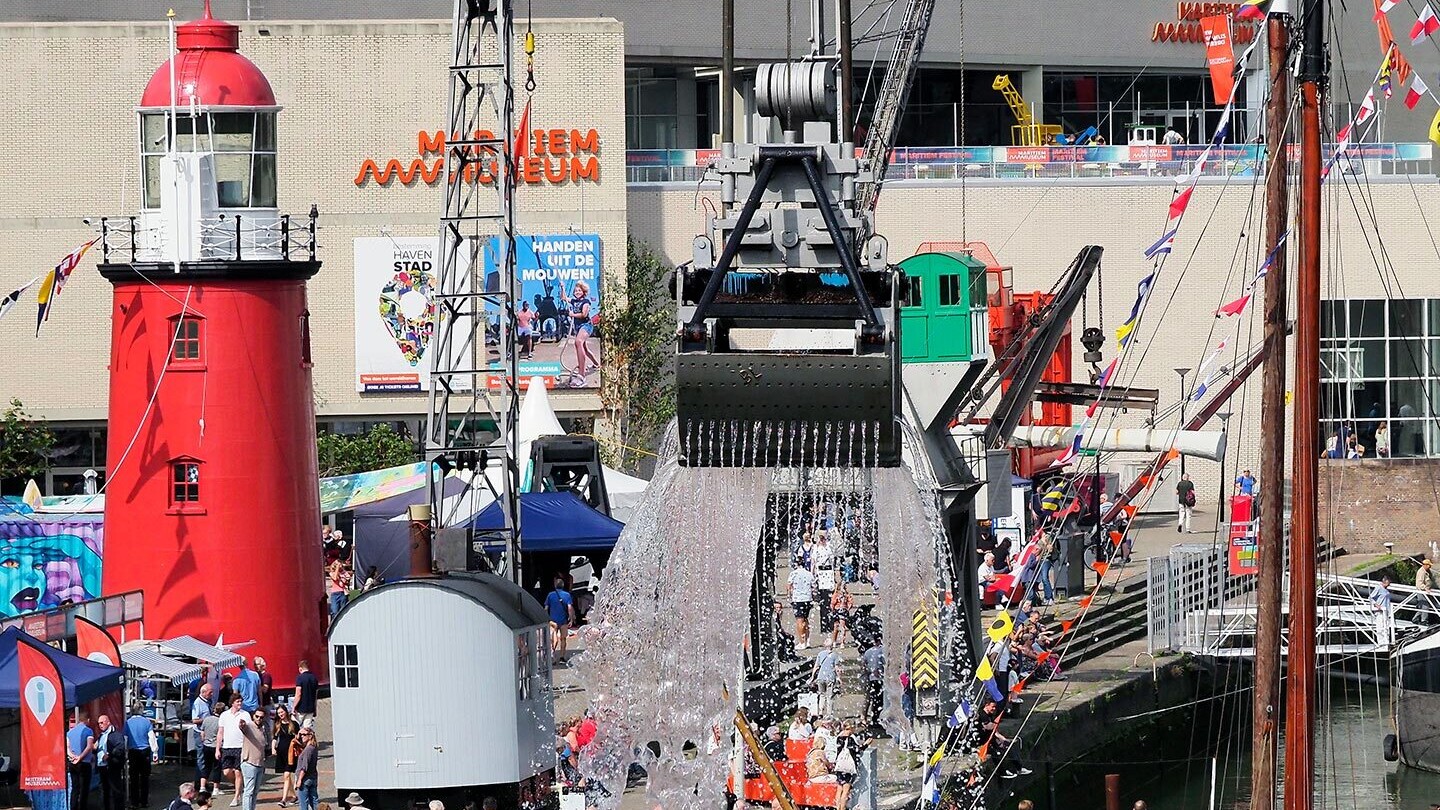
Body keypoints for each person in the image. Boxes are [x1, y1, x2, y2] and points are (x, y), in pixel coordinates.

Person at [217, 695, 250, 806]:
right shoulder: (224, 715)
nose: (240, 703)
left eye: (241, 701)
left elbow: (249, 730)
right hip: (227, 746)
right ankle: (239, 788)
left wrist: (244, 726)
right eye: (237, 701)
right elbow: (220, 732)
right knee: (226, 772)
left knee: (238, 772)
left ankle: (236, 797)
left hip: (241, 746)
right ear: (232, 703)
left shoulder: (245, 715)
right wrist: (218, 748)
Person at [126, 703, 159, 809]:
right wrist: (155, 752)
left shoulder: (127, 722)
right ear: (141, 710)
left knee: (134, 778)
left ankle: (134, 802)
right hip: (144, 751)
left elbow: (125, 738)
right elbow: (151, 738)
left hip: (132, 752)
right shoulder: (146, 722)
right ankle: (144, 802)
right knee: (145, 778)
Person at [566, 281, 598, 387]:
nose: (577, 292)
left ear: (583, 292)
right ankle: (596, 364)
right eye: (575, 290)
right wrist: (562, 287)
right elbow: (563, 298)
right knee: (584, 348)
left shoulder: (586, 302)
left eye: (579, 290)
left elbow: (584, 314)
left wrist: (572, 314)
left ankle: (581, 375)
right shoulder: (574, 301)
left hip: (586, 325)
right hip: (578, 327)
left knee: (578, 342)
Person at [237, 710, 268, 810]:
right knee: (249, 791)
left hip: (260, 764)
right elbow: (243, 727)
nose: (259, 719)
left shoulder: (262, 728)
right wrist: (242, 724)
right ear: (253, 716)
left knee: (255, 792)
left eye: (261, 717)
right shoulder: (249, 726)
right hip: (249, 763)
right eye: (257, 716)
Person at [832, 721, 866, 810]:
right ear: (851, 728)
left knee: (839, 789)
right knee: (846, 791)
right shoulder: (850, 739)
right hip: (848, 768)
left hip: (839, 766)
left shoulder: (839, 737)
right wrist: (866, 744)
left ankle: (837, 808)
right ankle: (842, 808)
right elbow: (857, 750)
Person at [97, 714, 127, 810]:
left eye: (102, 723)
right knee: (104, 791)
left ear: (108, 722)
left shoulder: (115, 735)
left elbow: (120, 747)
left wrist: (109, 755)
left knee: (116, 790)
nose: (100, 725)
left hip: (112, 766)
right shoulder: (101, 736)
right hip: (102, 767)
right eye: (98, 723)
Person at [271, 705, 299, 808]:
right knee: (287, 777)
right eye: (279, 713)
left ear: (286, 712)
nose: (280, 715)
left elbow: (298, 738)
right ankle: (294, 796)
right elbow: (274, 738)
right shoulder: (278, 724)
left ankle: (283, 800)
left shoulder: (294, 724)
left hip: (291, 754)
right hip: (281, 754)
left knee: (287, 775)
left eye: (282, 712)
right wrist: (273, 748)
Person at [68, 713, 97, 810]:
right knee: (84, 789)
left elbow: (67, 747)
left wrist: (72, 757)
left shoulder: (70, 732)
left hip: (72, 763)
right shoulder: (88, 731)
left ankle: (73, 807)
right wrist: (80, 757)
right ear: (87, 720)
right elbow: (89, 746)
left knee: (75, 788)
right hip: (84, 763)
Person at [545, 577, 576, 664]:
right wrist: (571, 618)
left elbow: (546, 608)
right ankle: (562, 657)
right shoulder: (567, 595)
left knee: (554, 637)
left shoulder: (550, 595)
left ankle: (553, 654)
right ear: (563, 586)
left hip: (553, 620)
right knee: (563, 639)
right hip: (563, 620)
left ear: (555, 585)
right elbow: (569, 607)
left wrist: (546, 618)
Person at [812, 533, 837, 634]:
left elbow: (832, 561)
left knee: (829, 601)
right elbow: (814, 562)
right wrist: (813, 575)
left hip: (828, 573)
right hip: (821, 574)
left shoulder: (828, 547)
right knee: (824, 601)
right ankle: (825, 625)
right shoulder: (816, 548)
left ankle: (829, 624)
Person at [788, 559, 816, 649]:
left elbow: (789, 586)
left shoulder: (793, 574)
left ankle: (801, 642)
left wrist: (789, 595)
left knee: (799, 621)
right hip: (807, 599)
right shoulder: (809, 574)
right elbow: (814, 586)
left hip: (798, 599)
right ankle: (807, 641)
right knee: (806, 620)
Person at [191, 682, 214, 788]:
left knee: (206, 758)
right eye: (210, 692)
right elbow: (194, 720)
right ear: (203, 692)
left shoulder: (209, 701)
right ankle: (199, 782)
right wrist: (207, 720)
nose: (212, 694)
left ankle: (204, 780)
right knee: (201, 758)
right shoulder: (198, 703)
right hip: (200, 733)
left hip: (208, 733)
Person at [811, 638, 840, 719]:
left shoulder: (820, 654)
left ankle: (820, 712)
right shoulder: (834, 655)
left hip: (821, 677)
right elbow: (836, 668)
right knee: (829, 696)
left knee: (821, 695)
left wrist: (813, 677)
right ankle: (829, 714)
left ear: (824, 645)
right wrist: (839, 678)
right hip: (830, 677)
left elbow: (816, 667)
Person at [861, 641, 885, 732]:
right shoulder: (882, 650)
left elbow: (863, 666)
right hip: (880, 679)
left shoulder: (868, 652)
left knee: (873, 700)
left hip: (871, 679)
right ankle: (878, 719)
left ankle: (873, 719)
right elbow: (886, 663)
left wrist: (870, 671)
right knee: (880, 700)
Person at [199, 703, 222, 796]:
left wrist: (204, 741)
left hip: (206, 746)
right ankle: (216, 789)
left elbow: (202, 733)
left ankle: (202, 787)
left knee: (206, 766)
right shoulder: (220, 721)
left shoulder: (206, 719)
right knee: (217, 767)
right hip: (216, 746)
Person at [294, 727, 319, 810]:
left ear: (310, 736)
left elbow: (304, 767)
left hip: (305, 779)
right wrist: (298, 734)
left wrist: (299, 780)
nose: (301, 736)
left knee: (303, 803)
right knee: (314, 801)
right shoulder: (313, 747)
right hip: (313, 777)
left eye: (304, 735)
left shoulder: (308, 750)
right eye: (301, 735)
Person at [293, 660, 319, 727]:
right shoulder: (314, 678)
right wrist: (315, 708)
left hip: (300, 708)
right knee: (307, 729)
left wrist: (293, 707)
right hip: (310, 708)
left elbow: (298, 694)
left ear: (300, 668)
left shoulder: (300, 678)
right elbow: (315, 695)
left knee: (295, 727)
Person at [1371, 575, 1395, 645]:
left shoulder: (1386, 590)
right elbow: (1371, 597)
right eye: (1388, 582)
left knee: (1386, 626)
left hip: (1386, 611)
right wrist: (1376, 604)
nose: (1389, 584)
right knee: (1380, 626)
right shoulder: (1378, 588)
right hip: (1380, 611)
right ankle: (1381, 642)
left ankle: (1386, 641)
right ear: (1385, 581)